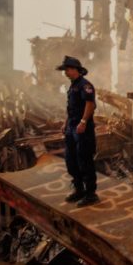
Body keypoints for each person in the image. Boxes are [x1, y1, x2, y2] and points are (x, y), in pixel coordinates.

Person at [58, 55, 99, 207]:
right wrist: (66, 123)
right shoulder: (73, 85)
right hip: (72, 127)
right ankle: (79, 190)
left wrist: (83, 122)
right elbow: (71, 108)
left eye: (67, 69)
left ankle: (91, 194)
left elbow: (90, 104)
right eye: (65, 70)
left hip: (83, 128)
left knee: (84, 160)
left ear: (76, 70)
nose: (65, 73)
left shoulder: (85, 85)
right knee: (71, 159)